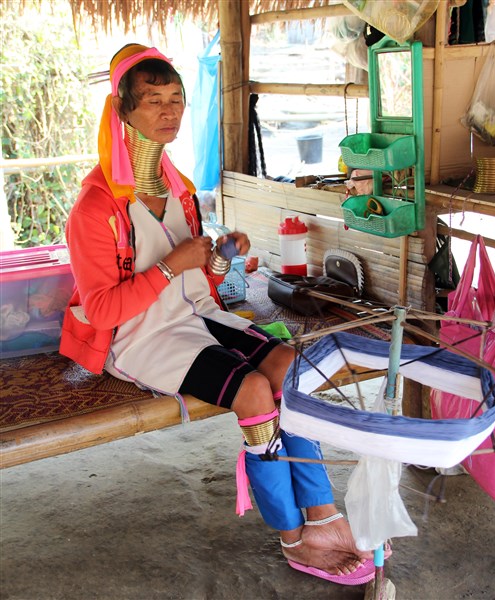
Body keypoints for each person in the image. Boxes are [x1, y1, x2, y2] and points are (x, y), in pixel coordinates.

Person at [60, 42, 383, 585]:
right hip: (140, 337)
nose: (169, 111)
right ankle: (292, 536)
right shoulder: (96, 208)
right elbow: (101, 309)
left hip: (199, 314)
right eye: (153, 100)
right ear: (122, 110)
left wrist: (220, 257)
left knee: (290, 369)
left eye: (176, 98)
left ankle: (323, 516)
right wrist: (171, 267)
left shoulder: (179, 190)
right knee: (253, 391)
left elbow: (203, 284)